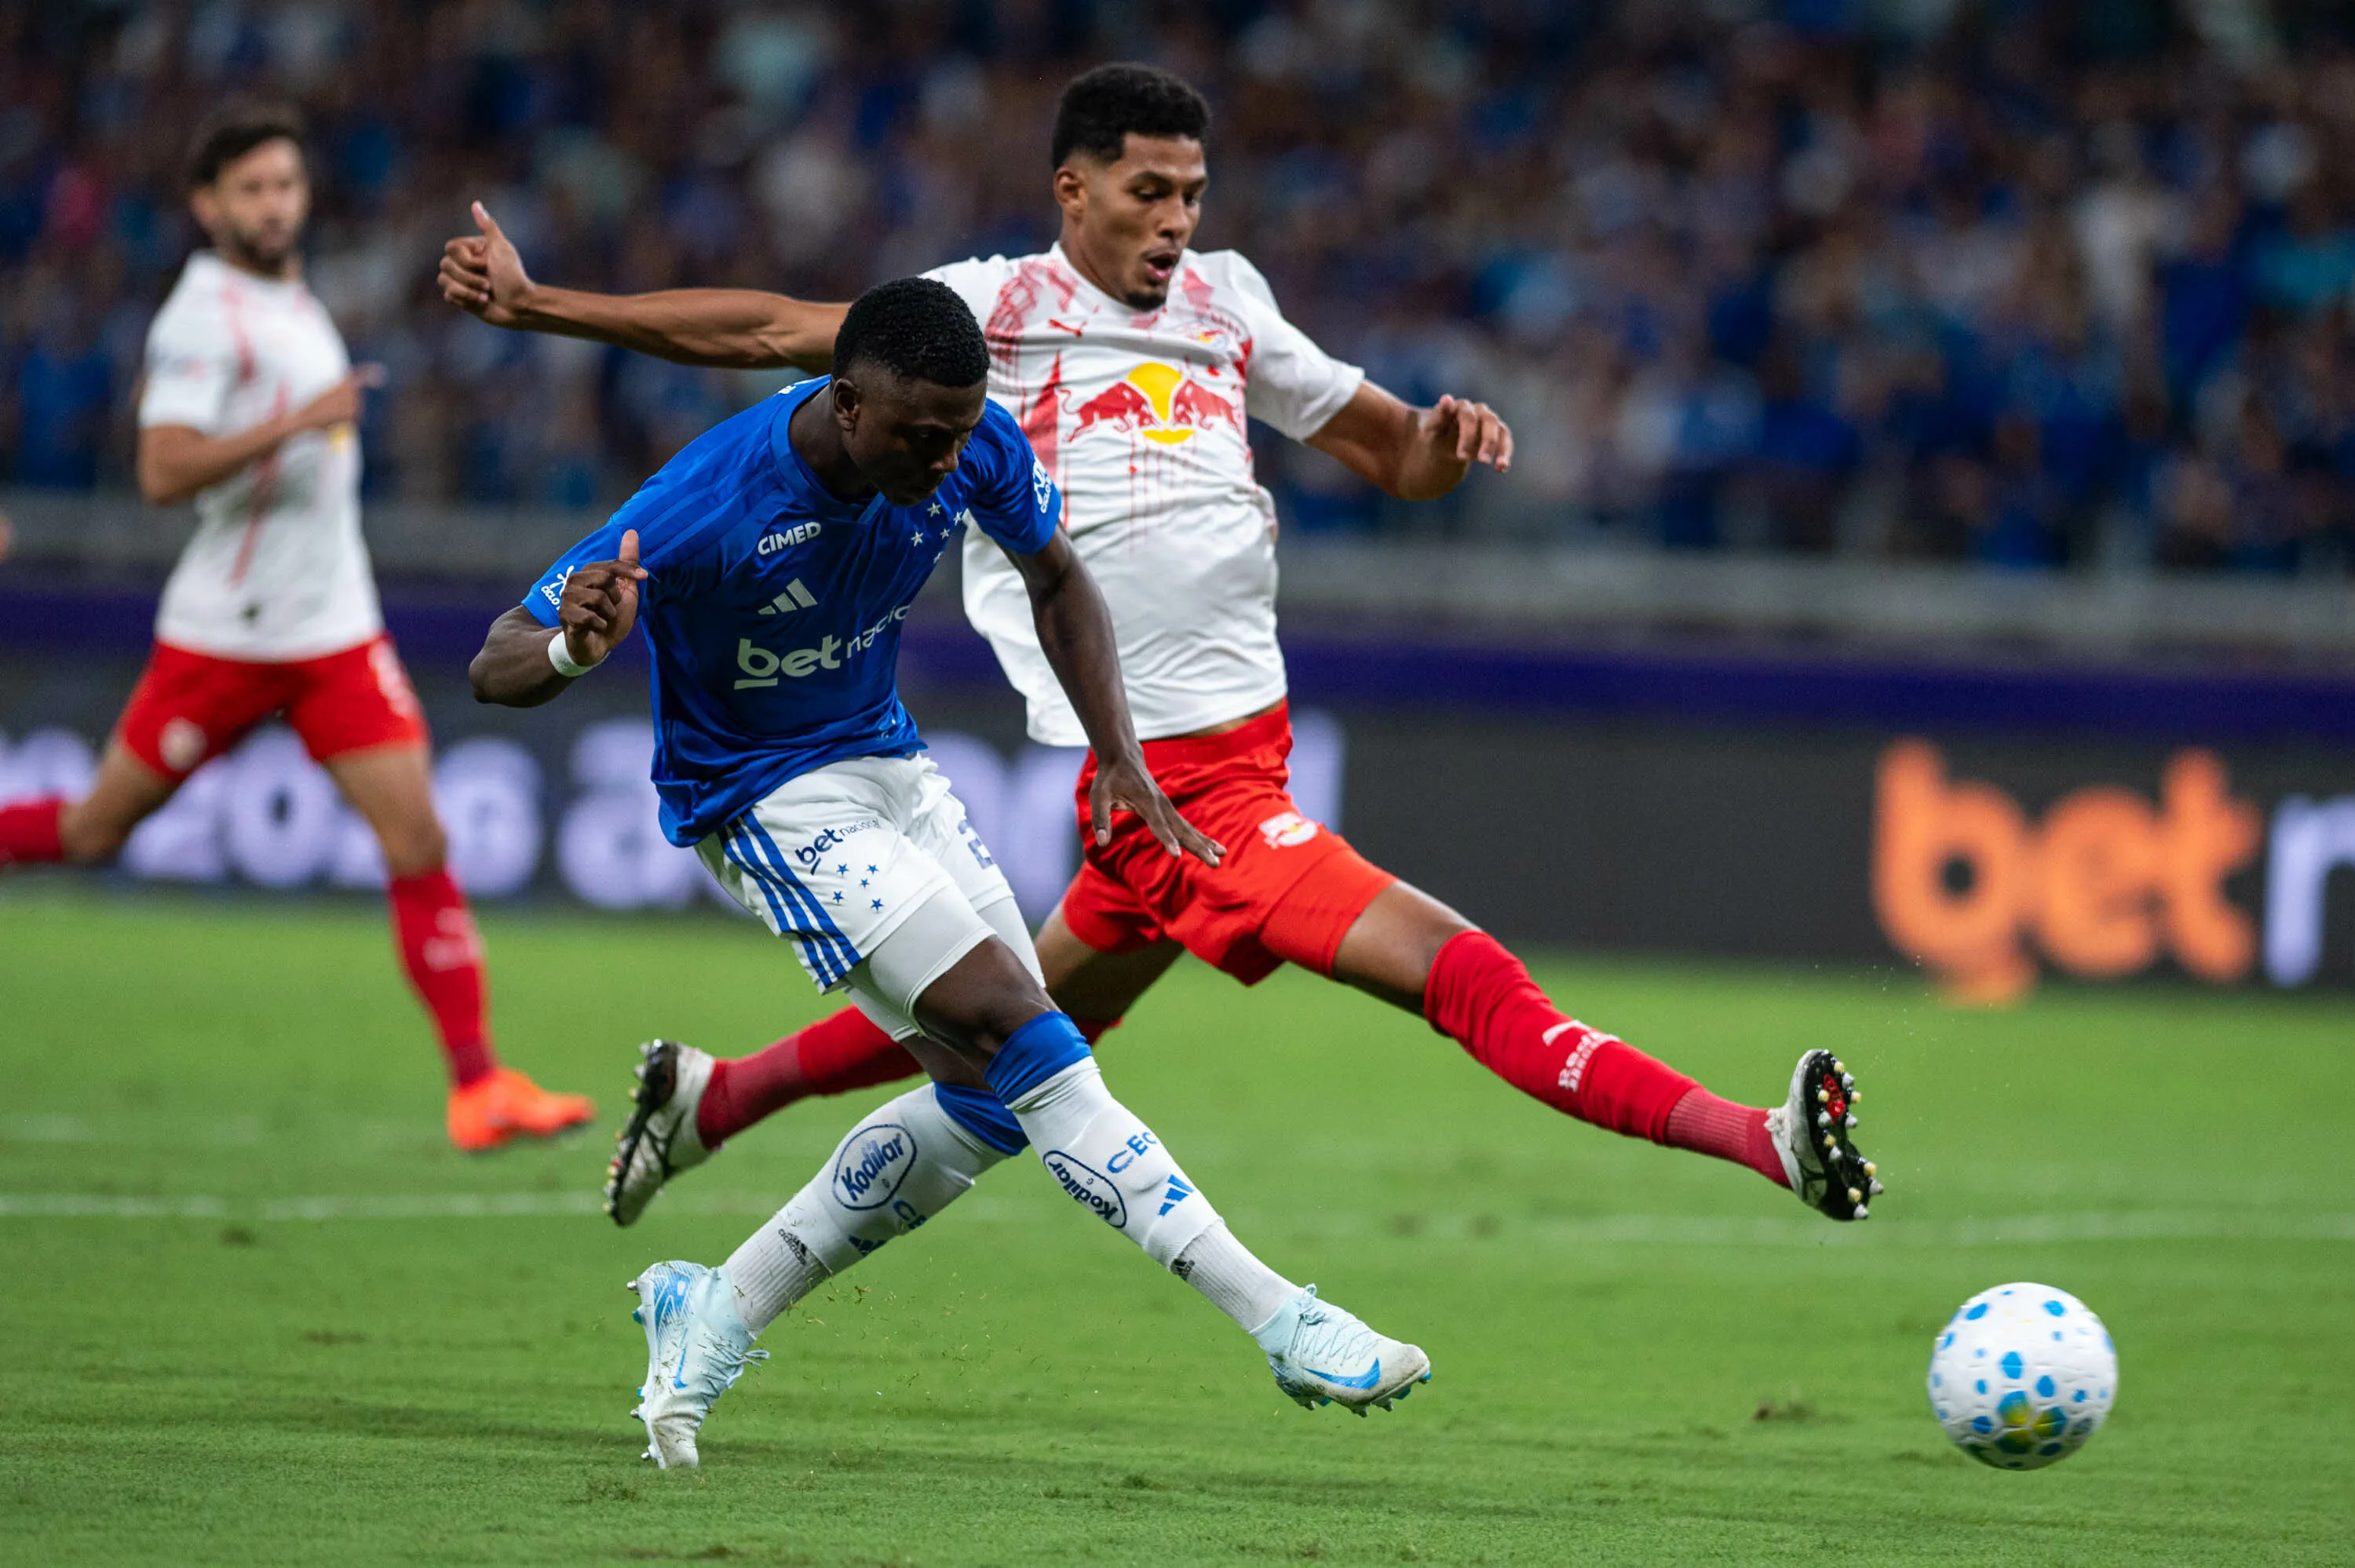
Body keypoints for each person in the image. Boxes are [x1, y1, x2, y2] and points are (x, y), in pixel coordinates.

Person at [439, 64, 1879, 1227]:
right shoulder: (992, 312)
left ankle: (712, 1098)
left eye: (1192, 191)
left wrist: (1444, 444)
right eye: (1148, 190)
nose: (1176, 218)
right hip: (1176, 780)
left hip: (1245, 749)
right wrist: (542, 302)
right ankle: (1760, 1139)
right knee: (1462, 973)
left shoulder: (1230, 302)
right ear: (1074, 190)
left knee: (1004, 1021)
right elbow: (770, 329)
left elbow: (1394, 455)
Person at [469, 276, 1430, 1468]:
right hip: (764, 798)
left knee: (987, 1103)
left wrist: (1120, 753)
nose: (944, 461)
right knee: (1025, 1033)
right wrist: (573, 646)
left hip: (892, 770)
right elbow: (497, 662)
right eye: (920, 436)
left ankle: (711, 1310)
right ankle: (1283, 1319)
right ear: (846, 401)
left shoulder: (969, 441)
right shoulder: (706, 504)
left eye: (959, 433)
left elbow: (1058, 576)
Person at [0, 101, 593, 1152]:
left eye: (285, 185)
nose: (274, 206)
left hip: (333, 633)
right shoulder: (201, 318)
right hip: (227, 635)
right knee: (95, 831)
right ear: (208, 205)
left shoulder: (290, 298)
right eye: (251, 190)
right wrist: (298, 421)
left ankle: (480, 1086)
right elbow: (161, 470)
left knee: (420, 838)